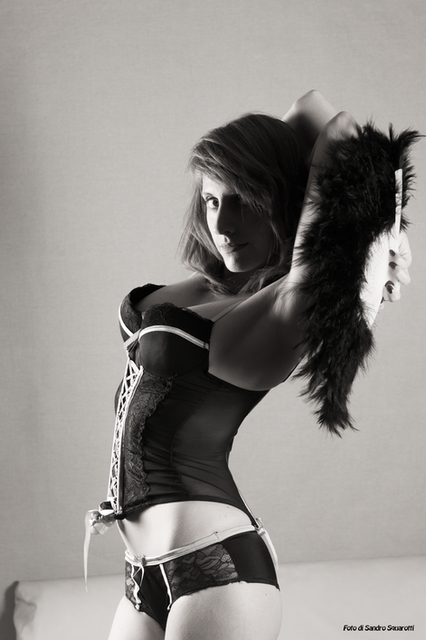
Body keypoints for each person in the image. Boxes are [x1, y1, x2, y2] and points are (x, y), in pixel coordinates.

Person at [89, 91, 413, 640]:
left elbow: (331, 124)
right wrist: (246, 166)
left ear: (282, 200)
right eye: (211, 200)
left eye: (242, 199)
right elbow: (299, 116)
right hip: (140, 575)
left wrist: (384, 233)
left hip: (218, 571)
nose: (222, 222)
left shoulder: (287, 305)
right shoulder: (223, 285)